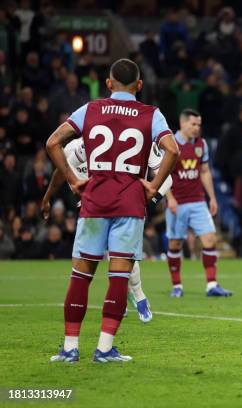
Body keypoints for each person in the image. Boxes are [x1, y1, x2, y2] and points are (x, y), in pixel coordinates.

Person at [46, 58, 179, 363]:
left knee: (80, 277)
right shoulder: (151, 114)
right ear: (139, 86)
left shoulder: (91, 109)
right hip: (130, 206)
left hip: (93, 202)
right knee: (119, 279)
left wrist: (72, 178)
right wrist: (153, 185)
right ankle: (104, 349)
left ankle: (70, 348)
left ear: (108, 84)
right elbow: (173, 149)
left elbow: (53, 142)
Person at [41, 135, 174, 323]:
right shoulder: (82, 145)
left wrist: (149, 200)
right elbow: (63, 170)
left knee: (121, 255)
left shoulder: (142, 139)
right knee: (94, 261)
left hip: (129, 206)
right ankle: (130, 298)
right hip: (95, 205)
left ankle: (134, 297)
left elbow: (167, 178)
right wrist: (77, 192)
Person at [165, 109, 232, 298]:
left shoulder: (201, 144)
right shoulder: (171, 144)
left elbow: (204, 171)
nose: (196, 128)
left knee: (209, 239)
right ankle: (177, 286)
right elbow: (162, 174)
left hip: (197, 201)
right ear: (183, 123)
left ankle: (212, 285)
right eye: (193, 124)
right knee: (175, 243)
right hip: (177, 202)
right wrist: (169, 198)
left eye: (199, 125)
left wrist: (212, 197)